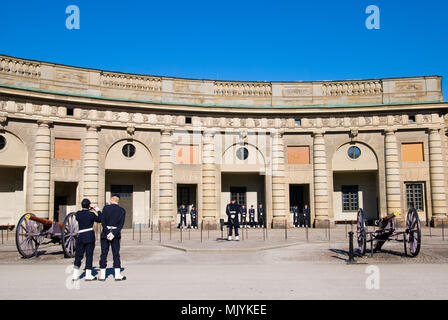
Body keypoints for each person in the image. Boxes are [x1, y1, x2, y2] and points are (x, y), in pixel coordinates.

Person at [72, 199, 101, 281]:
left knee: (78, 255)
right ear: (88, 205)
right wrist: (97, 210)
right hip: (89, 235)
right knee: (89, 255)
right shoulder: (91, 214)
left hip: (80, 235)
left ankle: (75, 275)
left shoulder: (78, 214)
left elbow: (80, 214)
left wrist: (88, 208)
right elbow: (100, 219)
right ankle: (88, 275)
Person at [99, 194, 126, 281]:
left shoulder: (106, 208)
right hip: (116, 234)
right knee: (116, 254)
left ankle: (102, 275)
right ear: (118, 201)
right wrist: (113, 233)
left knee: (104, 254)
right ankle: (117, 275)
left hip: (105, 233)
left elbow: (102, 221)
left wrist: (107, 232)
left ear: (111, 199)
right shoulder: (122, 210)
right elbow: (120, 225)